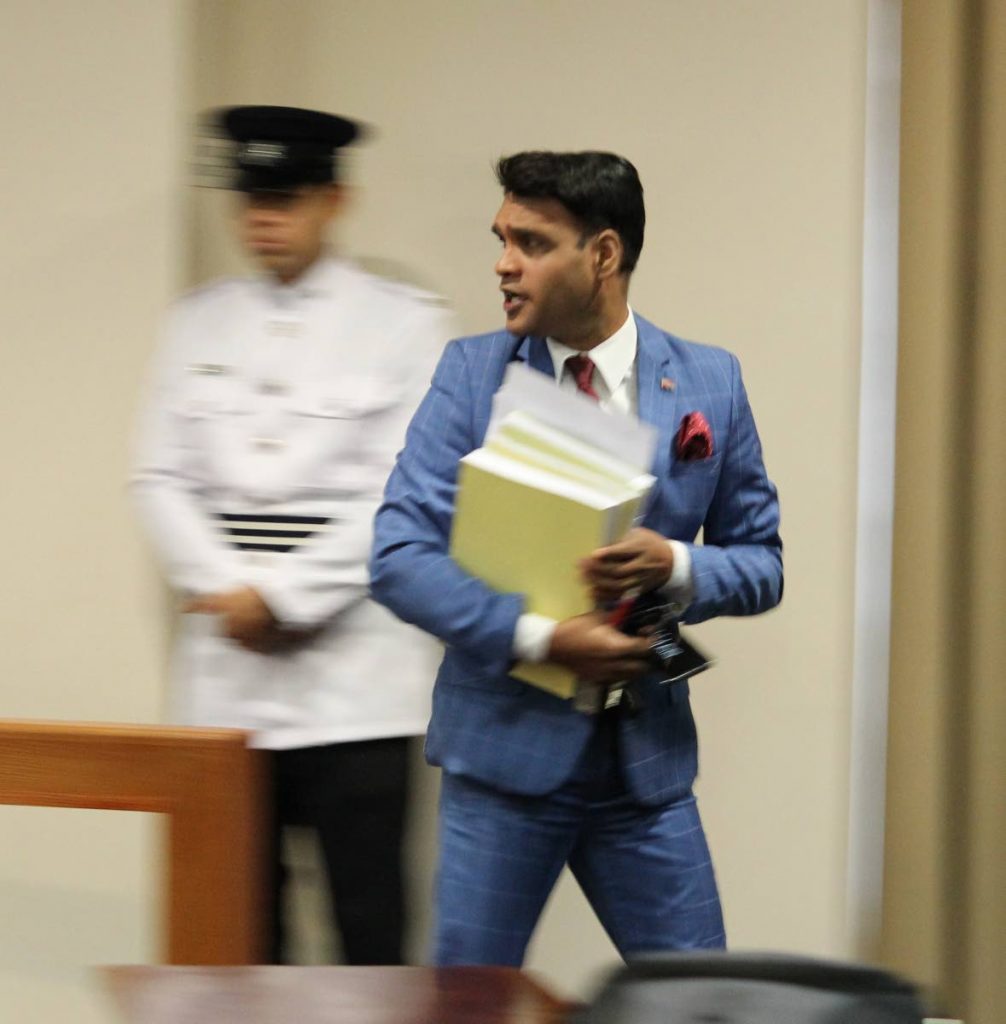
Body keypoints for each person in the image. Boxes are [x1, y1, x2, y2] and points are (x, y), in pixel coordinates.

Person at [369, 150, 782, 966]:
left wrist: (675, 565)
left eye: (530, 242)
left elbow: (763, 564)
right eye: (502, 238)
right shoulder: (470, 376)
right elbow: (398, 556)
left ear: (602, 255)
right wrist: (543, 639)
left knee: (699, 1008)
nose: (503, 264)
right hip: (500, 769)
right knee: (467, 1015)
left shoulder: (710, 382)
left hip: (645, 775)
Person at [131, 105, 451, 964]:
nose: (263, 217)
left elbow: (408, 491)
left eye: (287, 198)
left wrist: (277, 595)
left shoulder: (403, 323)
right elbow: (159, 476)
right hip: (226, 680)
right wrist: (224, 589)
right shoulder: (195, 321)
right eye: (250, 199)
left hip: (356, 678)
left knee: (369, 932)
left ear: (335, 200)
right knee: (235, 934)